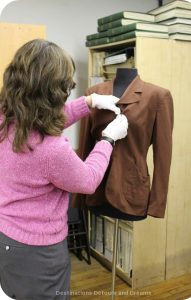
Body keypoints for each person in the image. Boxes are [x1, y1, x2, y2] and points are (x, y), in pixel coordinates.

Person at [0, 39, 128, 300]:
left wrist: (88, 101)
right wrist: (108, 139)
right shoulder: (52, 150)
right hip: (38, 253)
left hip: (6, 237)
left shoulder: (7, 117)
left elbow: (39, 121)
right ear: (52, 92)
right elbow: (88, 180)